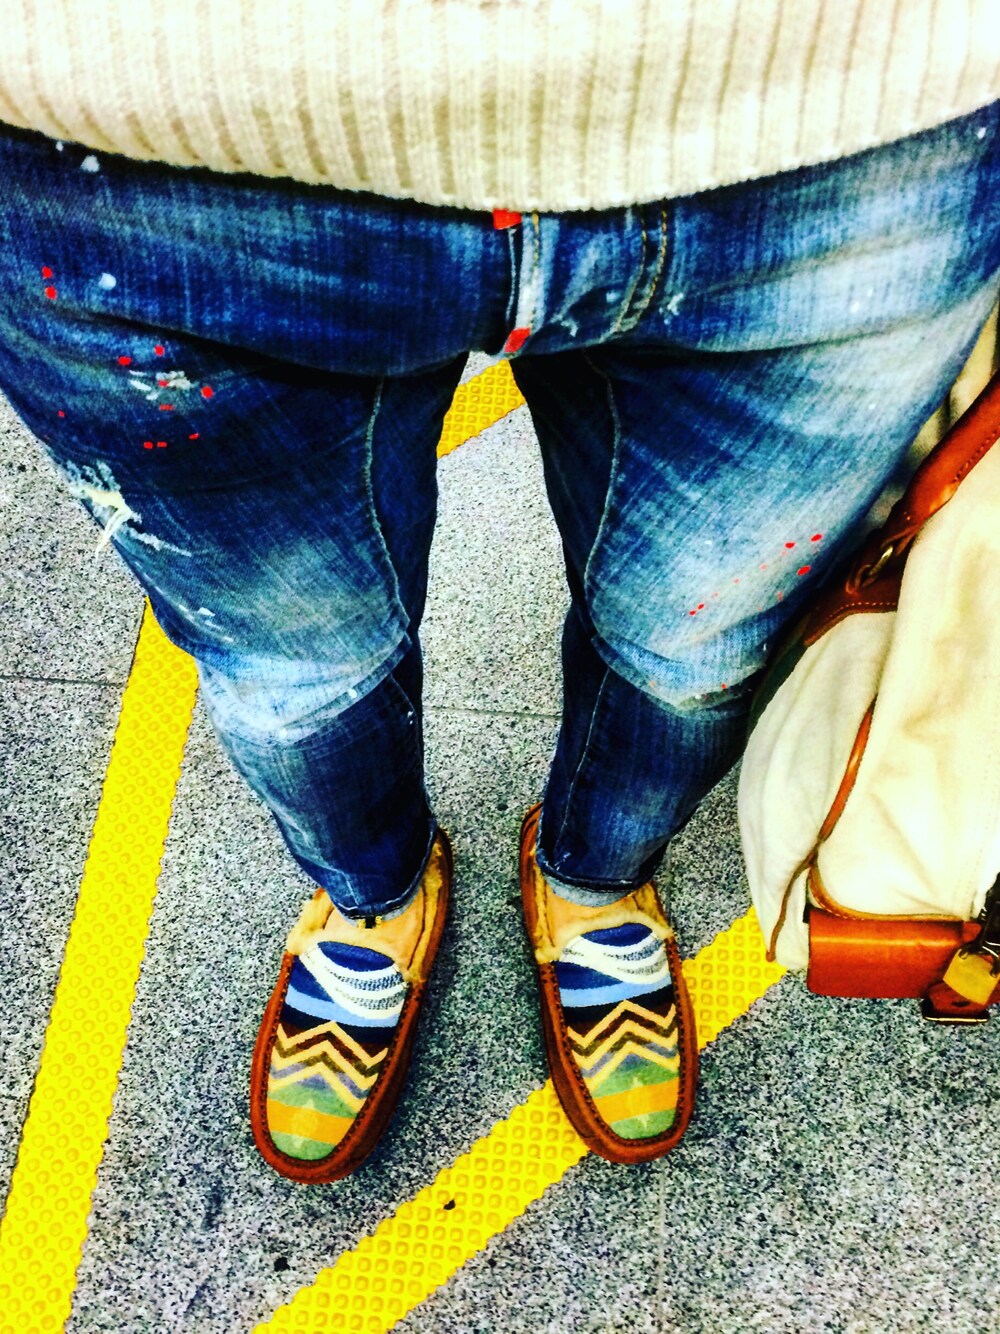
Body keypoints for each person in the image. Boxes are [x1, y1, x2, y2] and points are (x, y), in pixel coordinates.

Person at [0, 2, 998, 1181]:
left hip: (850, 123)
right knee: (293, 677)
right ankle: (376, 898)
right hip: (143, 144)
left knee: (692, 651)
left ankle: (591, 880)